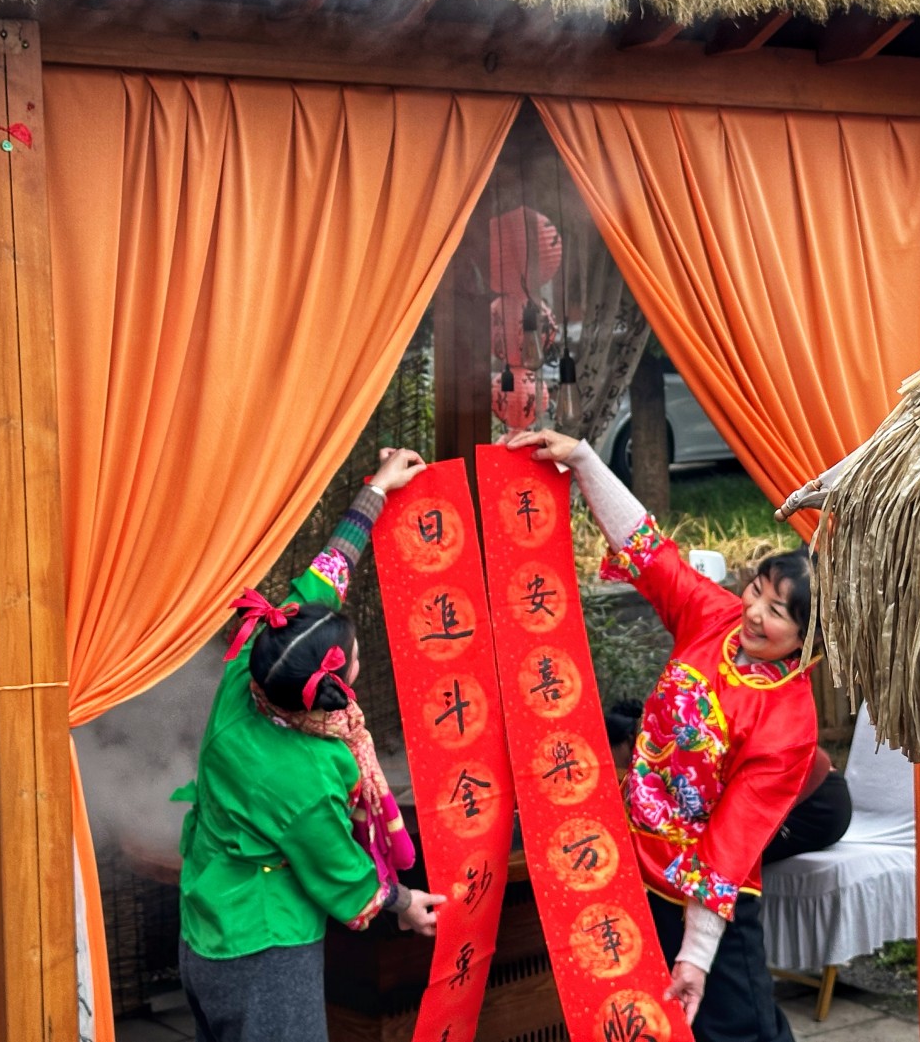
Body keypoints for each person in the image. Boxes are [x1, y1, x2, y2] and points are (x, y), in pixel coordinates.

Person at [505, 429, 818, 1042]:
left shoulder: (789, 724)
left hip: (705, 898)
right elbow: (651, 553)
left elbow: (732, 843)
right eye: (756, 591)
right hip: (631, 861)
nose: (755, 612)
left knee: (738, 1030)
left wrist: (697, 953)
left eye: (777, 611)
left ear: (807, 637)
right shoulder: (714, 619)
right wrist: (584, 459)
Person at [173, 447, 445, 1042]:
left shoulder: (252, 667)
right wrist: (403, 904)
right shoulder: (308, 771)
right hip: (261, 948)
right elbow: (338, 870)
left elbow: (325, 579)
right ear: (335, 684)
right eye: (354, 655)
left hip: (206, 921)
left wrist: (377, 490)